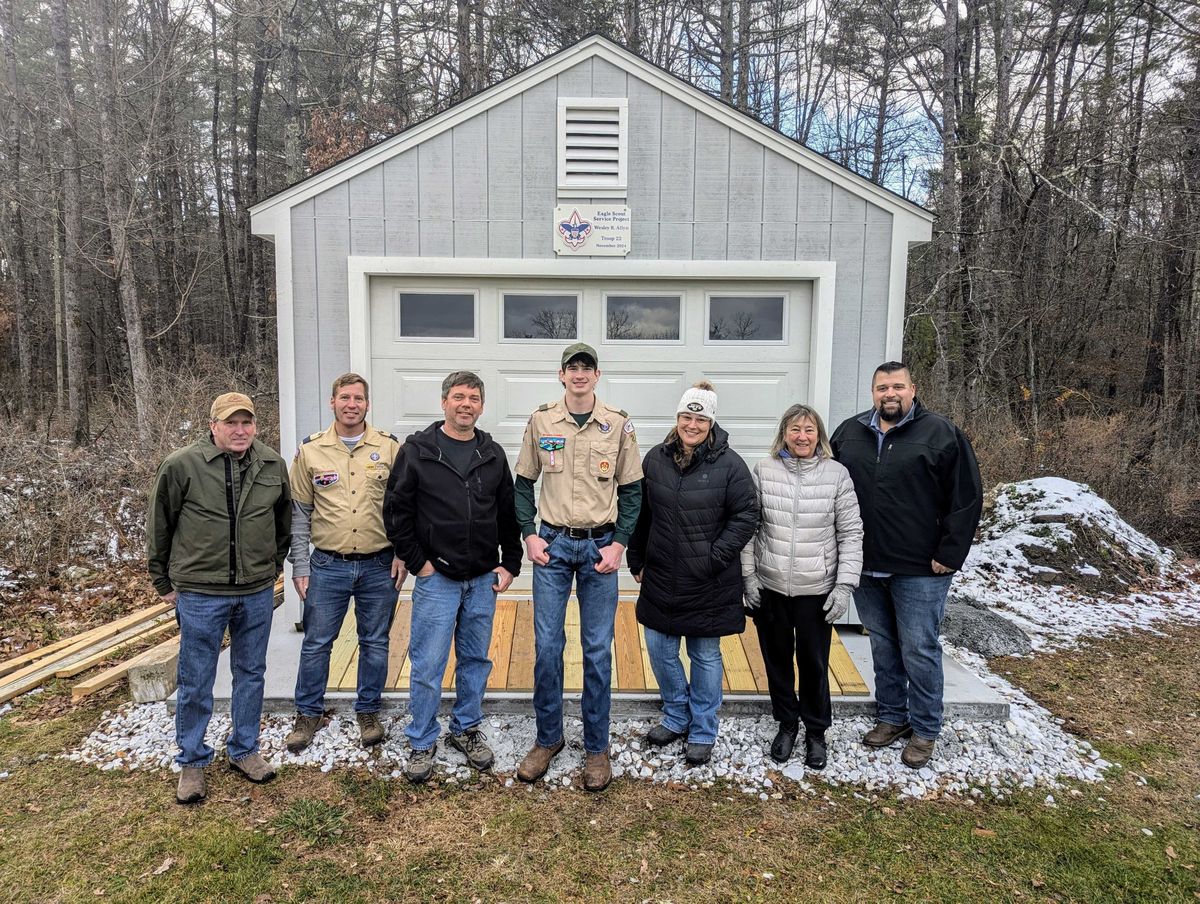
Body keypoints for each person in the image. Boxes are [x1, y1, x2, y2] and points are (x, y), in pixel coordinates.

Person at [830, 361, 982, 769]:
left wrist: (949, 554)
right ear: (873, 391)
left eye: (897, 386)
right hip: (865, 562)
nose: (889, 394)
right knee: (881, 642)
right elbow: (826, 489)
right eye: (882, 387)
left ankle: (926, 728)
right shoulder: (849, 433)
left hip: (920, 566)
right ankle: (892, 716)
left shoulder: (941, 434)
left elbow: (965, 498)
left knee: (919, 646)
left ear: (913, 389)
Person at [146, 392, 291, 804]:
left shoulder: (271, 464)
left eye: (247, 422)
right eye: (231, 423)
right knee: (196, 678)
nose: (240, 430)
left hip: (256, 591)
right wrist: (163, 581)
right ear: (213, 426)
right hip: (200, 593)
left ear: (256, 426)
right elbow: (159, 525)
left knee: (251, 671)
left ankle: (244, 749)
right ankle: (192, 760)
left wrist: (270, 566)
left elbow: (283, 524)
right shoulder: (181, 466)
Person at [513, 342, 643, 792]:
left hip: (599, 550)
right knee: (547, 646)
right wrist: (528, 534)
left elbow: (633, 491)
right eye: (573, 368)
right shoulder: (541, 421)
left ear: (598, 375)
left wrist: (620, 544)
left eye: (587, 368)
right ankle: (548, 739)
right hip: (551, 545)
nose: (580, 374)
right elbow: (523, 483)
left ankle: (596, 747)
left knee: (596, 650)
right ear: (561, 374)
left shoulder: (618, 424)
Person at [383, 371, 522, 783]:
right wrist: (419, 562)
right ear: (444, 402)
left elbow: (507, 513)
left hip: (481, 578)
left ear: (481, 406)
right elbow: (396, 512)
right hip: (437, 578)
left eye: (474, 398)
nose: (466, 404)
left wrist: (510, 562)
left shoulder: (492, 453)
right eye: (459, 396)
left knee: (476, 660)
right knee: (428, 662)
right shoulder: (418, 451)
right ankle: (422, 739)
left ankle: (465, 729)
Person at [627, 381, 758, 766]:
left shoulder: (731, 465)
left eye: (700, 418)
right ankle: (675, 715)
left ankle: (702, 727)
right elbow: (641, 513)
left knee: (704, 654)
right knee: (660, 649)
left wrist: (714, 557)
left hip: (709, 579)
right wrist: (637, 559)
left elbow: (747, 515)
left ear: (711, 421)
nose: (692, 424)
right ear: (677, 418)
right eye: (687, 415)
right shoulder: (655, 459)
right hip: (662, 574)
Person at [284, 374, 405, 754]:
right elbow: (300, 514)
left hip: (379, 564)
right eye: (344, 398)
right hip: (327, 566)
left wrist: (403, 552)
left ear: (368, 404)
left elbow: (404, 507)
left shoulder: (388, 449)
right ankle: (308, 713)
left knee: (375, 641)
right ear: (332, 402)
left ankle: (368, 709)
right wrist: (300, 566)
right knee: (317, 643)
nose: (351, 404)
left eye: (358, 398)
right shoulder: (311, 451)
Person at [741, 404, 863, 769]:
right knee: (776, 661)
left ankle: (816, 731)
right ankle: (787, 723)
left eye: (809, 429)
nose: (802, 436)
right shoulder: (764, 471)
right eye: (795, 429)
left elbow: (851, 533)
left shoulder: (837, 475)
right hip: (771, 587)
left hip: (817, 590)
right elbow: (750, 527)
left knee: (813, 663)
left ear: (819, 435)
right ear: (784, 434)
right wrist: (748, 576)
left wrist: (844, 586)